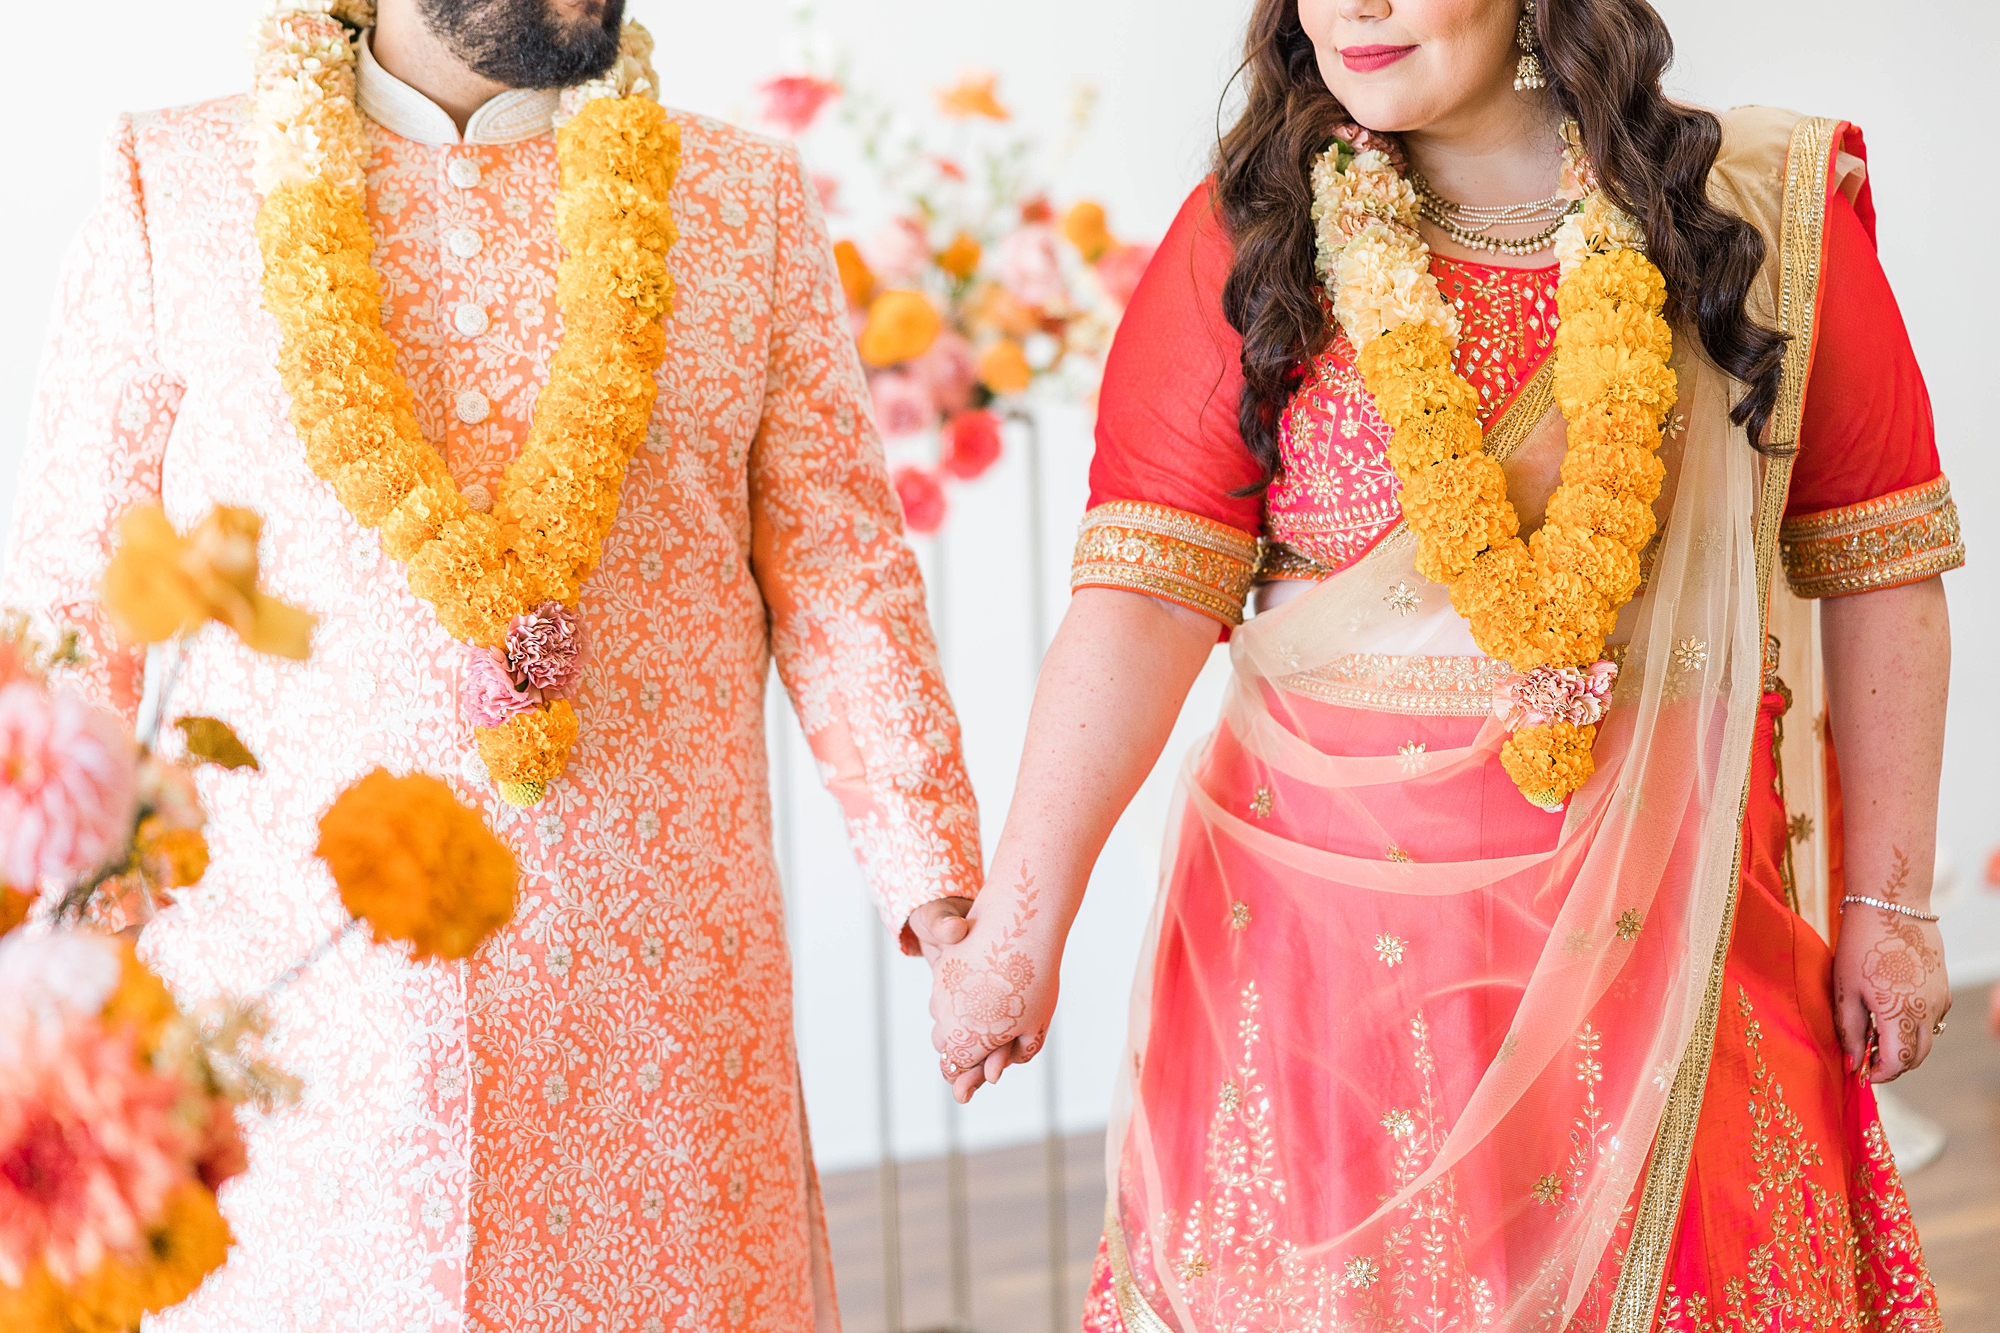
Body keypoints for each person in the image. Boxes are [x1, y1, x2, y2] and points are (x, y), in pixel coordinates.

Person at [925, 0, 1960, 1329]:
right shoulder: (1260, 233)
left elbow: (1880, 559)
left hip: (1669, 950)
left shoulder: (1754, 216)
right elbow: (1141, 598)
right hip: (1333, 992)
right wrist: (1019, 928)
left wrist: (1892, 906)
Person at [5, 1, 982, 1329]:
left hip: (657, 1056)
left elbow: (842, 579)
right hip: (297, 1058)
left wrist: (945, 897)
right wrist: (58, 949)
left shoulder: (738, 203)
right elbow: (72, 608)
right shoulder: (170, 188)